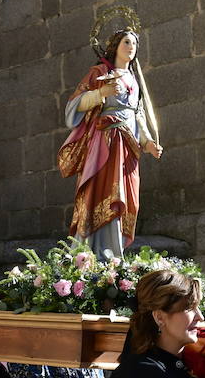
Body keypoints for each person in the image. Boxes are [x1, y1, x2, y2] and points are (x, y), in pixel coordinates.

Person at [58, 28, 163, 257]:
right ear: (115, 46)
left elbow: (138, 115)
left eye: (134, 44)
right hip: (105, 143)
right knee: (102, 192)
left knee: (127, 196)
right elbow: (74, 105)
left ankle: (116, 253)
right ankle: (94, 251)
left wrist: (147, 142)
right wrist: (101, 93)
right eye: (126, 42)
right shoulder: (100, 72)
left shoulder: (134, 80)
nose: (131, 47)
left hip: (129, 147)